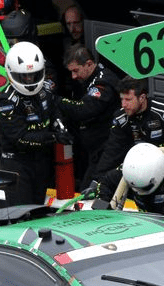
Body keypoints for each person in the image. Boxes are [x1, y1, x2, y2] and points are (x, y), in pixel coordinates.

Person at [0, 40, 71, 205]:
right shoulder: (6, 103)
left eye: (33, 75)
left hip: (41, 162)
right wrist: (53, 137)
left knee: (38, 210)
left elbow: (54, 108)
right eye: (24, 76)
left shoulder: (44, 91)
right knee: (20, 214)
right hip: (17, 165)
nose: (29, 80)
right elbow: (20, 139)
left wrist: (59, 124)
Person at [92, 77, 164, 181]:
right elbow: (112, 151)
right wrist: (97, 181)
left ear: (142, 98)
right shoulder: (121, 118)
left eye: (128, 99)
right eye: (121, 99)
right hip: (140, 173)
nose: (123, 105)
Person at [84, 142, 164, 227]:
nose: (138, 192)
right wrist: (104, 209)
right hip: (149, 223)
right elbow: (105, 182)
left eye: (143, 188)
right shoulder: (130, 170)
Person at [57, 44, 120, 190]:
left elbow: (84, 109)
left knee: (90, 192)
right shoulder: (84, 81)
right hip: (91, 150)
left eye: (75, 71)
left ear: (89, 64)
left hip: (107, 152)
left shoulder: (104, 81)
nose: (73, 76)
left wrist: (56, 101)